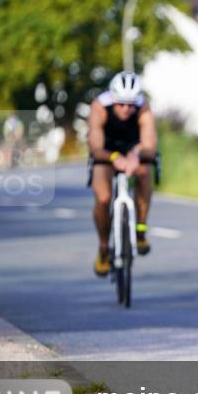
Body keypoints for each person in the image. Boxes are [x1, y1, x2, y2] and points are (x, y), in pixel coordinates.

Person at [87, 72, 157, 276]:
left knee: (144, 172)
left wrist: (136, 155)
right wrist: (115, 158)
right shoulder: (100, 106)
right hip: (107, 151)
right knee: (103, 197)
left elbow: (150, 145)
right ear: (113, 99)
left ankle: (140, 230)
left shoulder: (143, 107)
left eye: (130, 104)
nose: (126, 109)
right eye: (121, 104)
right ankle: (103, 248)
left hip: (134, 148)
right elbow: (95, 147)